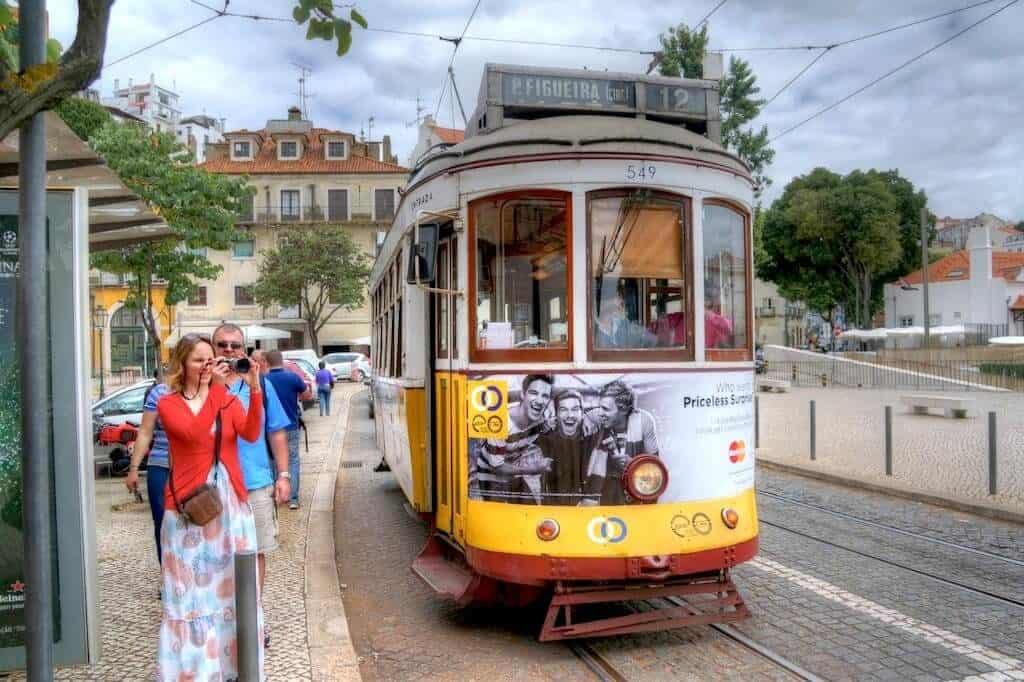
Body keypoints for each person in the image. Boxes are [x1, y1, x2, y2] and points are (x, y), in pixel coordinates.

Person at [154, 333, 264, 680]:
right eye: (198, 360)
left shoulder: (225, 398)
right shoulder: (168, 403)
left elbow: (250, 432)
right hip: (189, 508)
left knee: (232, 588)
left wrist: (254, 388)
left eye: (209, 359)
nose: (206, 365)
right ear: (182, 365)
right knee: (189, 593)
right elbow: (194, 432)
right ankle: (195, 672)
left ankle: (234, 668)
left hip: (230, 506)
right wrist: (214, 389)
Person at [211, 323, 290, 647]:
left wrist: (283, 475)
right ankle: (221, 620)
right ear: (213, 348)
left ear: (243, 349)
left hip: (255, 483)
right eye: (222, 345)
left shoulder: (260, 385)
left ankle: (254, 617)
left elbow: (277, 432)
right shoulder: (204, 383)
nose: (229, 351)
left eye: (235, 345)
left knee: (255, 552)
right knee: (217, 554)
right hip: (213, 485)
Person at [469, 374, 554, 504]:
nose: (539, 400)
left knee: (531, 511)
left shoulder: (544, 418)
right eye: (534, 393)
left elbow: (548, 429)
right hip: (490, 475)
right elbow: (497, 467)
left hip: (513, 471)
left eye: (545, 396)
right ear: (522, 395)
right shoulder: (501, 424)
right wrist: (534, 469)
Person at [125, 373, 171, 577]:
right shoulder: (160, 392)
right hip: (161, 465)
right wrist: (134, 468)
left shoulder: (207, 388)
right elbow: (145, 432)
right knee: (162, 523)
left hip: (195, 466)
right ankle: (167, 576)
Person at [592, 379, 660, 505]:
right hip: (610, 493)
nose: (600, 413)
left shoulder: (643, 421)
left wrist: (633, 464)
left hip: (638, 491)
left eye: (605, 409)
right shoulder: (597, 419)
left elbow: (655, 470)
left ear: (623, 409)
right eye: (599, 407)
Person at [538, 390, 603, 506]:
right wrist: (543, 427)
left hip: (588, 510)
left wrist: (589, 417)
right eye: (563, 409)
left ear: (582, 413)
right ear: (556, 415)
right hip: (553, 510)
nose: (570, 415)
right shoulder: (545, 440)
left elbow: (612, 410)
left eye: (575, 409)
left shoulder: (593, 438)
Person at [264, 349, 309, 510]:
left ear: (267, 362)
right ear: (281, 360)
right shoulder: (292, 377)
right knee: (293, 461)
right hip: (291, 426)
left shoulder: (264, 380)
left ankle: (277, 496)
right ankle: (293, 499)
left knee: (273, 461)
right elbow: (307, 396)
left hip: (271, 429)